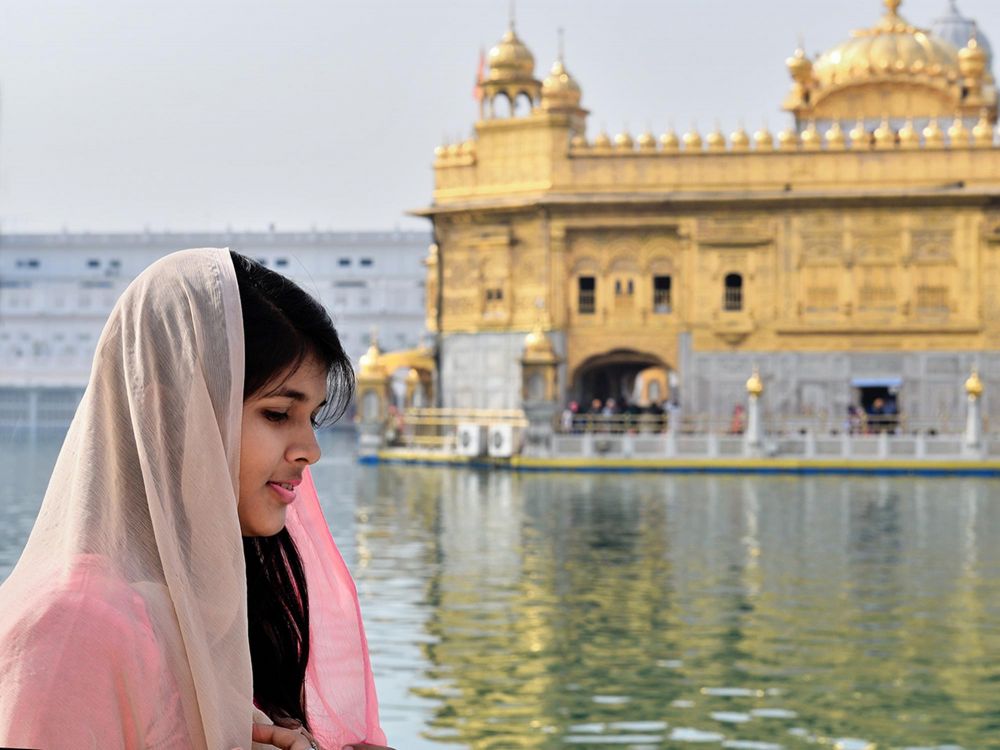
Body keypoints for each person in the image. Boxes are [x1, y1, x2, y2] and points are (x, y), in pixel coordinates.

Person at [0, 249, 392, 750]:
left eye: (311, 418)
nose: (310, 452)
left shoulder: (218, 604)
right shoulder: (73, 625)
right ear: (171, 411)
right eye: (277, 415)